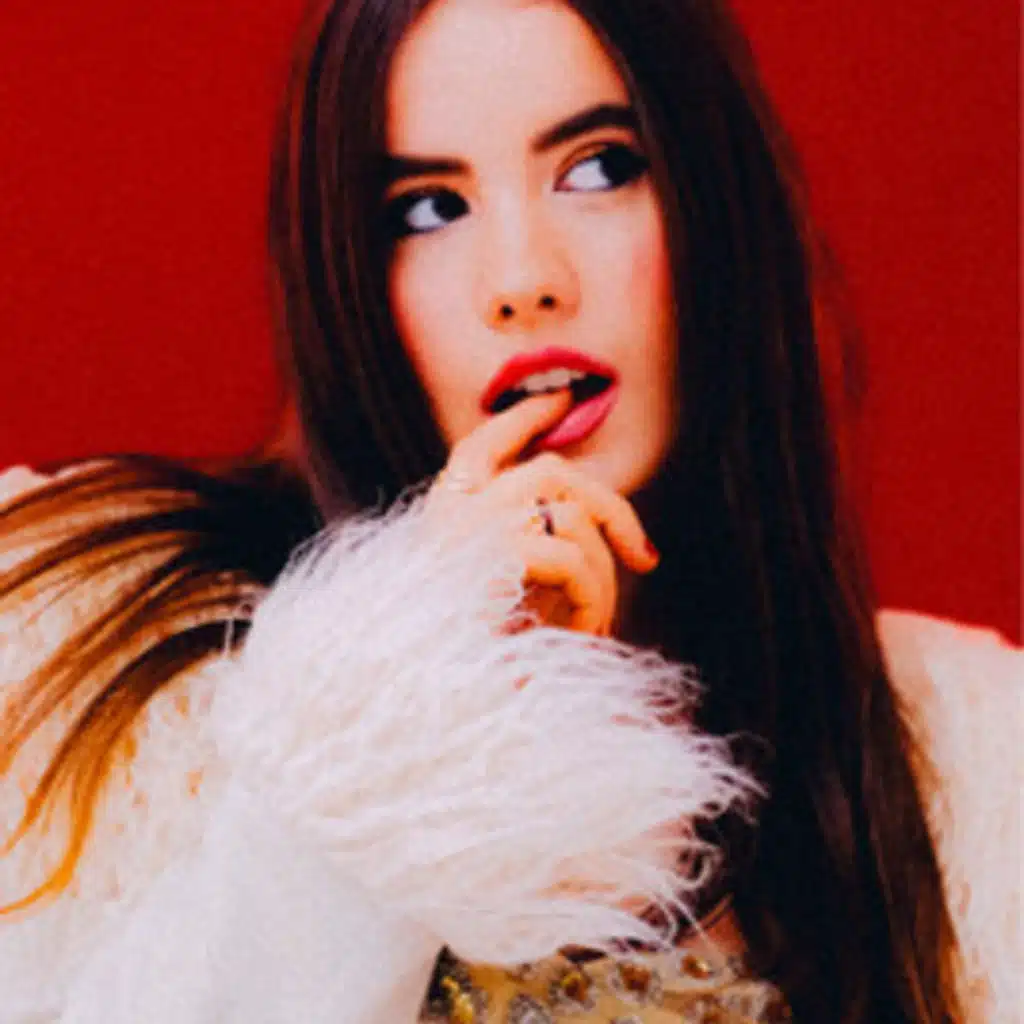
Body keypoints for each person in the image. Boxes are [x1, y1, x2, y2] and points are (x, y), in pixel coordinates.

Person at [0, 0, 1019, 1021]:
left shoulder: (969, 761)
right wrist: (403, 684)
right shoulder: (91, 635)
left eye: (600, 167)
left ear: (716, 201)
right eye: (428, 209)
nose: (524, 281)